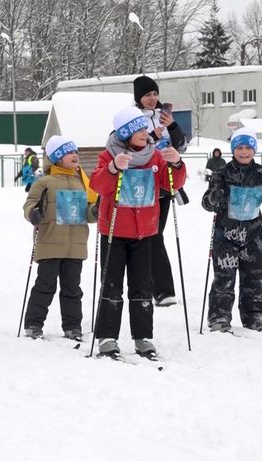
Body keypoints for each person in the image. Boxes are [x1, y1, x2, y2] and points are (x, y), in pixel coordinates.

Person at [89, 106, 186, 358]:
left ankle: (142, 337)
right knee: (111, 285)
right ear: (125, 133)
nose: (145, 133)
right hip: (114, 231)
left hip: (144, 232)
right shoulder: (108, 155)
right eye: (139, 129)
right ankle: (107, 337)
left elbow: (171, 184)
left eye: (145, 128)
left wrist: (176, 163)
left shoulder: (155, 156)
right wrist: (112, 168)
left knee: (142, 286)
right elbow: (98, 185)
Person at [201, 128, 262, 333]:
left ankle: (253, 316)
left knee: (254, 278)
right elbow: (206, 203)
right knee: (224, 278)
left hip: (252, 235)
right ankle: (219, 316)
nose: (244, 152)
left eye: (248, 148)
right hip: (225, 234)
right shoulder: (222, 173)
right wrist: (213, 197)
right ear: (233, 149)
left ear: (254, 150)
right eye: (239, 148)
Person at [22, 135, 98, 341]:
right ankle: (33, 323)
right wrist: (33, 213)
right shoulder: (44, 182)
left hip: (76, 246)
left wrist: (95, 211)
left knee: (73, 289)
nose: (74, 155)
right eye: (68, 152)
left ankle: (73, 326)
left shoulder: (83, 182)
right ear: (57, 157)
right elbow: (29, 204)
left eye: (75, 152)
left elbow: (87, 212)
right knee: (45, 286)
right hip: (50, 243)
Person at [133, 75, 187, 308]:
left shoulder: (163, 116)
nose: (152, 99)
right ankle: (155, 288)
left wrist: (172, 125)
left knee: (155, 235)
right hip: (142, 183)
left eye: (155, 94)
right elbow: (132, 147)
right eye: (147, 95)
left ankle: (162, 290)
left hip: (165, 184)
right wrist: (154, 135)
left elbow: (182, 146)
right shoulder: (133, 117)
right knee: (148, 236)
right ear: (139, 97)